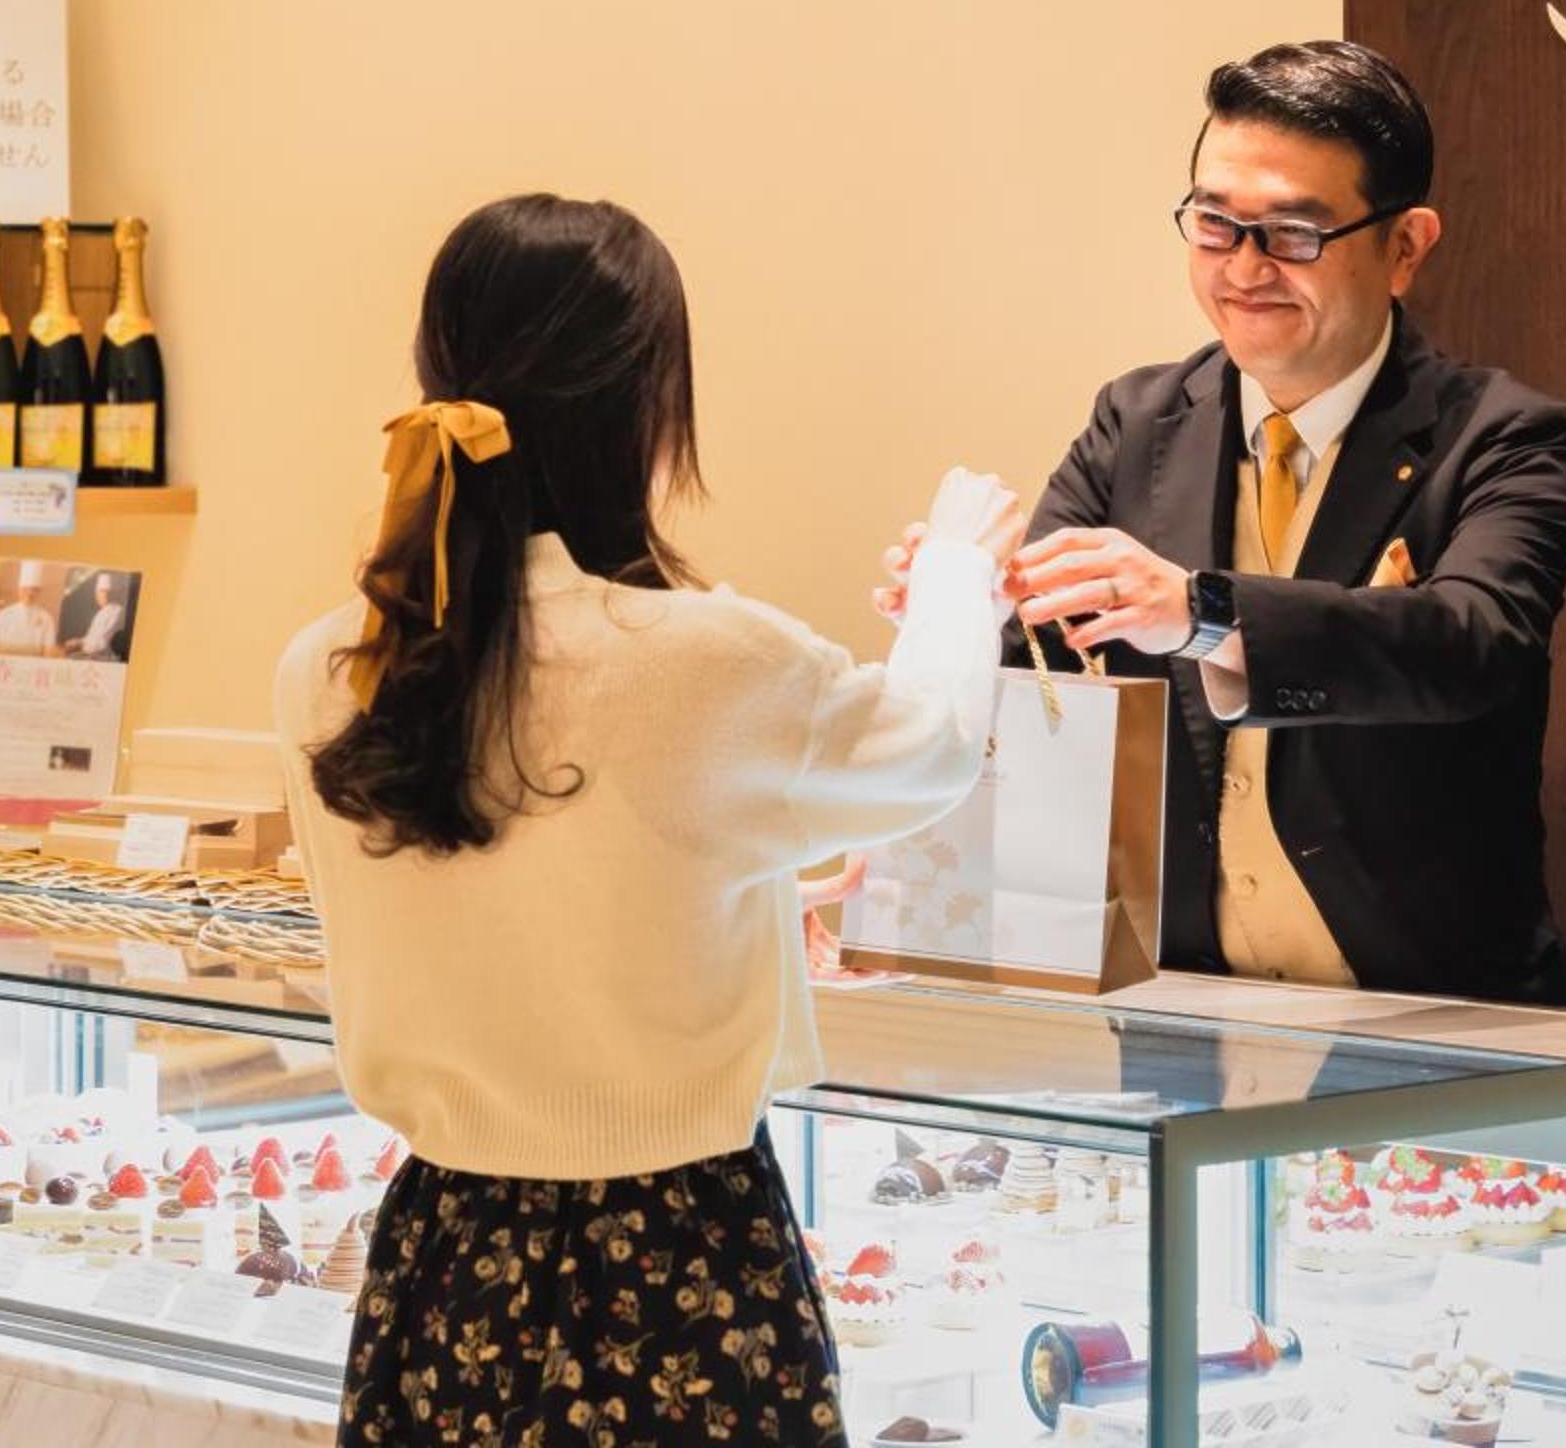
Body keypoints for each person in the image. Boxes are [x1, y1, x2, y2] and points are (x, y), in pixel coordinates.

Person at [273, 193, 1024, 1446]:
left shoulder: (330, 667)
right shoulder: (699, 659)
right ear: (647, 405)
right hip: (681, 1256)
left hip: (443, 1264)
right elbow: (932, 741)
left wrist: (729, 902)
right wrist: (959, 569)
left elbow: (496, 898)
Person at [890, 41, 1566, 1005]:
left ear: (1405, 246)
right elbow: (1041, 658)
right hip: (1182, 1008)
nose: (1246, 267)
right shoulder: (1136, 422)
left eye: (1294, 233)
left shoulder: (1508, 436)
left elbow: (1474, 642)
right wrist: (963, 610)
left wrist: (1202, 613)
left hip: (1436, 1014)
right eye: (1216, 225)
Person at [0, 572, 59, 657]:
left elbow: (49, 649)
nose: (30, 593)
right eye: (25, 589)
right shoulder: (4, 614)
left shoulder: (46, 618)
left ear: (39, 592)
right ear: (19, 590)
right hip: (5, 662)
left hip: (33, 663)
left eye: (34, 590)